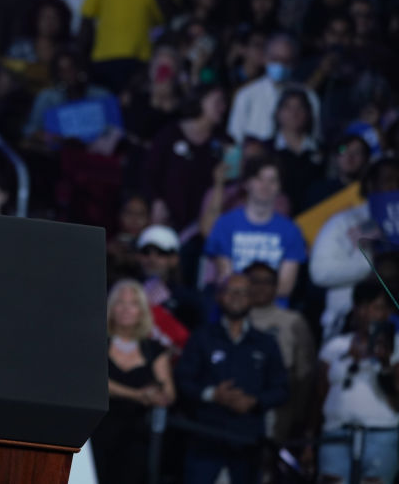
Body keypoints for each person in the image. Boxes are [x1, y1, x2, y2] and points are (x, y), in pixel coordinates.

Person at [174, 274, 288, 484]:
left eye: (243, 292)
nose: (236, 296)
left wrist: (255, 402)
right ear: (219, 296)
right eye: (230, 290)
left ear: (251, 298)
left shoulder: (266, 343)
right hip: (205, 437)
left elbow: (281, 389)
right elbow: (183, 380)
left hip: (248, 440)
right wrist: (213, 395)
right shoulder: (202, 337)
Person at [90, 279, 175, 484]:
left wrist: (158, 394)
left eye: (133, 303)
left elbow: (169, 394)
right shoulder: (96, 341)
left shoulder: (154, 349)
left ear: (142, 310)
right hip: (96, 432)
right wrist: (138, 395)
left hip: (136, 437)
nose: (126, 309)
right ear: (111, 307)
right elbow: (94, 384)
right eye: (120, 302)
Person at [315, 278, 399, 484]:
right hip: (336, 433)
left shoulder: (397, 347)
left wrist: (386, 363)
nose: (368, 314)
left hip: (380, 434)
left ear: (388, 312)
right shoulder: (335, 346)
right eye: (363, 306)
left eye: (377, 308)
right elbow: (319, 396)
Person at [311, 157, 399, 341]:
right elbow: (320, 272)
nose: (394, 186)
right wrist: (372, 265)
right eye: (388, 180)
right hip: (349, 323)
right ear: (371, 185)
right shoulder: (344, 222)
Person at [207, 156, 307, 300]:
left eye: (272, 180)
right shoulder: (225, 224)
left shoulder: (291, 230)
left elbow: (285, 286)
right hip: (234, 306)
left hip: (273, 310)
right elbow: (226, 279)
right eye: (259, 179)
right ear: (247, 183)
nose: (265, 186)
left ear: (280, 186)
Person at [244, 262, 315, 445]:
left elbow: (304, 372)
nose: (260, 287)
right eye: (254, 281)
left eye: (267, 282)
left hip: (277, 405)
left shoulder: (293, 320)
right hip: (234, 403)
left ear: (276, 286)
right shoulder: (231, 317)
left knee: (266, 462)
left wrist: (299, 415)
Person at [144, 83, 231, 232]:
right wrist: (156, 200)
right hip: (168, 219)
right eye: (217, 101)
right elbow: (150, 171)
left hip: (204, 224)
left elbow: (230, 182)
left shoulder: (224, 141)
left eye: (224, 103)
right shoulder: (170, 133)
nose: (222, 107)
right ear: (200, 101)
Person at [227, 33, 320, 144]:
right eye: (275, 59)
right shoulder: (246, 94)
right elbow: (235, 138)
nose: (280, 65)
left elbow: (315, 136)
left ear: (295, 63)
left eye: (286, 61)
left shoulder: (308, 95)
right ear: (265, 58)